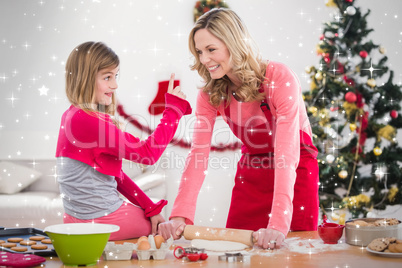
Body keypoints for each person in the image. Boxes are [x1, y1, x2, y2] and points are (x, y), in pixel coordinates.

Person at [158, 8, 319, 249]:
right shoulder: (211, 94)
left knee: (295, 252)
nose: (204, 60)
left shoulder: (279, 77)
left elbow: (287, 155)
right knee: (238, 251)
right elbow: (198, 156)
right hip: (252, 170)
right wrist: (180, 215)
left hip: (295, 170)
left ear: (234, 44)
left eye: (211, 50)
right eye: (200, 52)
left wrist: (278, 222)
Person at [55, 41, 191, 240]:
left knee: (154, 217)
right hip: (101, 220)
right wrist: (174, 111)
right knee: (162, 227)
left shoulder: (73, 116)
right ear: (86, 78)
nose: (115, 85)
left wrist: (149, 206)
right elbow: (148, 154)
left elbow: (115, 176)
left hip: (75, 219)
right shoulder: (90, 122)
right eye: (107, 77)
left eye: (115, 76)